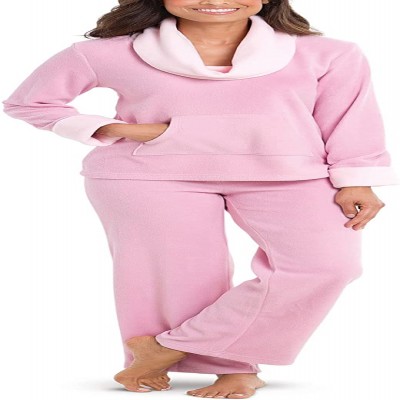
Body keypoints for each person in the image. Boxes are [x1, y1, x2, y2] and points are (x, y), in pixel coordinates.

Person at [3, 0, 400, 398]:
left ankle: (166, 348)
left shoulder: (328, 53)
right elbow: (27, 102)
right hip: (150, 173)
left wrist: (358, 179)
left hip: (292, 172)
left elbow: (349, 118)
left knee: (327, 266)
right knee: (182, 275)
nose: (214, 0)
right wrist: (120, 129)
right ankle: (229, 366)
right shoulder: (110, 53)